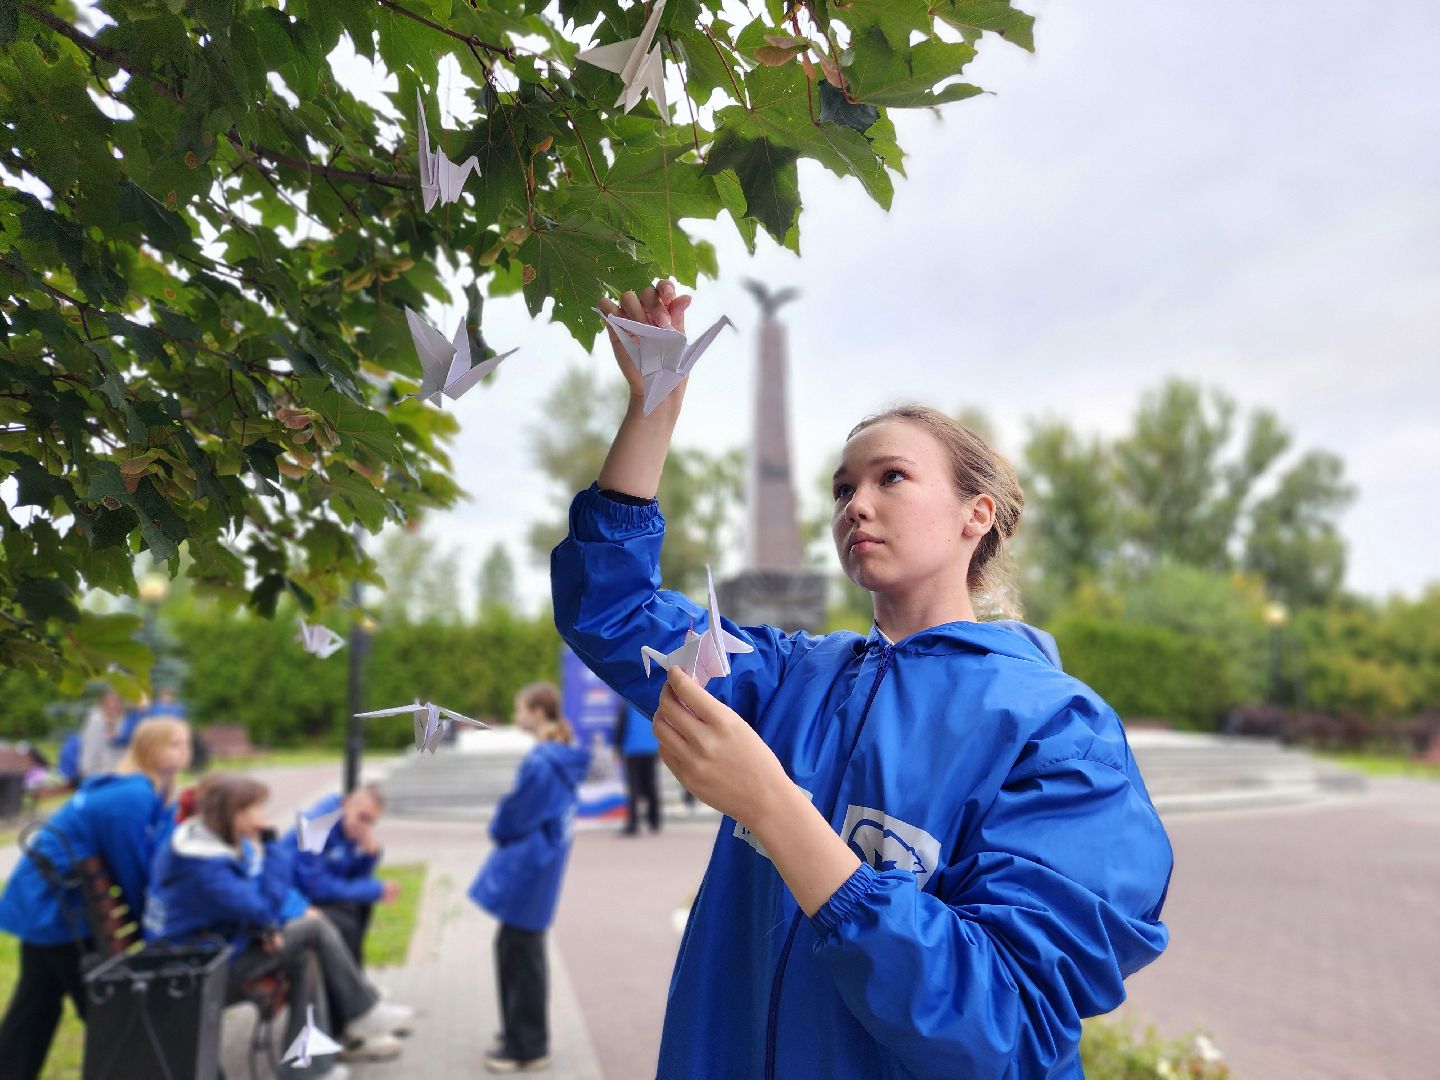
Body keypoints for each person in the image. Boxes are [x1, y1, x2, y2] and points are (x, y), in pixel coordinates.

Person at [550, 281, 1174, 1079]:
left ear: (975, 515)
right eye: (843, 488)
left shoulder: (1057, 732)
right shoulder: (785, 679)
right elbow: (612, 606)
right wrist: (654, 407)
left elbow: (1001, 1020)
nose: (856, 505)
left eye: (891, 478)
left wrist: (774, 807)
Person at [145, 774, 416, 1077]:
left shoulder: (220, 844)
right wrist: (273, 850)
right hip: (197, 969)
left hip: (220, 948)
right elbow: (269, 904)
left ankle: (311, 1065)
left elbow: (249, 904)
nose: (262, 819)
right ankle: (360, 1012)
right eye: (255, 810)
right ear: (233, 814)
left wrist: (370, 855)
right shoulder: (203, 864)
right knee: (318, 929)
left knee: (308, 953)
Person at [0, 718, 192, 1080]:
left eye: (186, 742)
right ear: (150, 748)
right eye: (174, 743)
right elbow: (135, 870)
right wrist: (160, 934)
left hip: (62, 910)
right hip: (58, 911)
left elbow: (153, 854)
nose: (185, 751)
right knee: (115, 1015)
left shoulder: (144, 792)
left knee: (36, 1008)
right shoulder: (131, 795)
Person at [469, 683, 590, 1073]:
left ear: (538, 712)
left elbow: (517, 814)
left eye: (521, 708)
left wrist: (498, 828)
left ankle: (529, 1045)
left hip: (529, 867)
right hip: (542, 864)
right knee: (515, 947)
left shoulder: (542, 762)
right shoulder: (560, 755)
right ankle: (518, 1032)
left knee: (520, 952)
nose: (516, 714)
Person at [284, 783, 399, 966]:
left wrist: (369, 856)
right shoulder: (316, 826)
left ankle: (354, 981)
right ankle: (346, 988)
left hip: (312, 894)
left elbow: (352, 877)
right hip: (292, 898)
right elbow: (316, 887)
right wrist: (374, 889)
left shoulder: (351, 829)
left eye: (371, 822)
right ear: (346, 804)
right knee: (346, 920)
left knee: (361, 905)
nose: (365, 827)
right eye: (362, 818)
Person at [614, 701, 661, 835]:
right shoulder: (650, 701)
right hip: (651, 746)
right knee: (652, 785)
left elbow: (621, 724)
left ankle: (633, 824)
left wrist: (617, 746)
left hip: (632, 747)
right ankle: (655, 820)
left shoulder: (626, 702)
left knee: (633, 787)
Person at [76, 686, 127, 779]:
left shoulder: (126, 723)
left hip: (122, 774)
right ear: (102, 703)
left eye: (115, 701)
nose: (111, 705)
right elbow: (88, 752)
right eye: (108, 702)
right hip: (98, 774)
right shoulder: (95, 722)